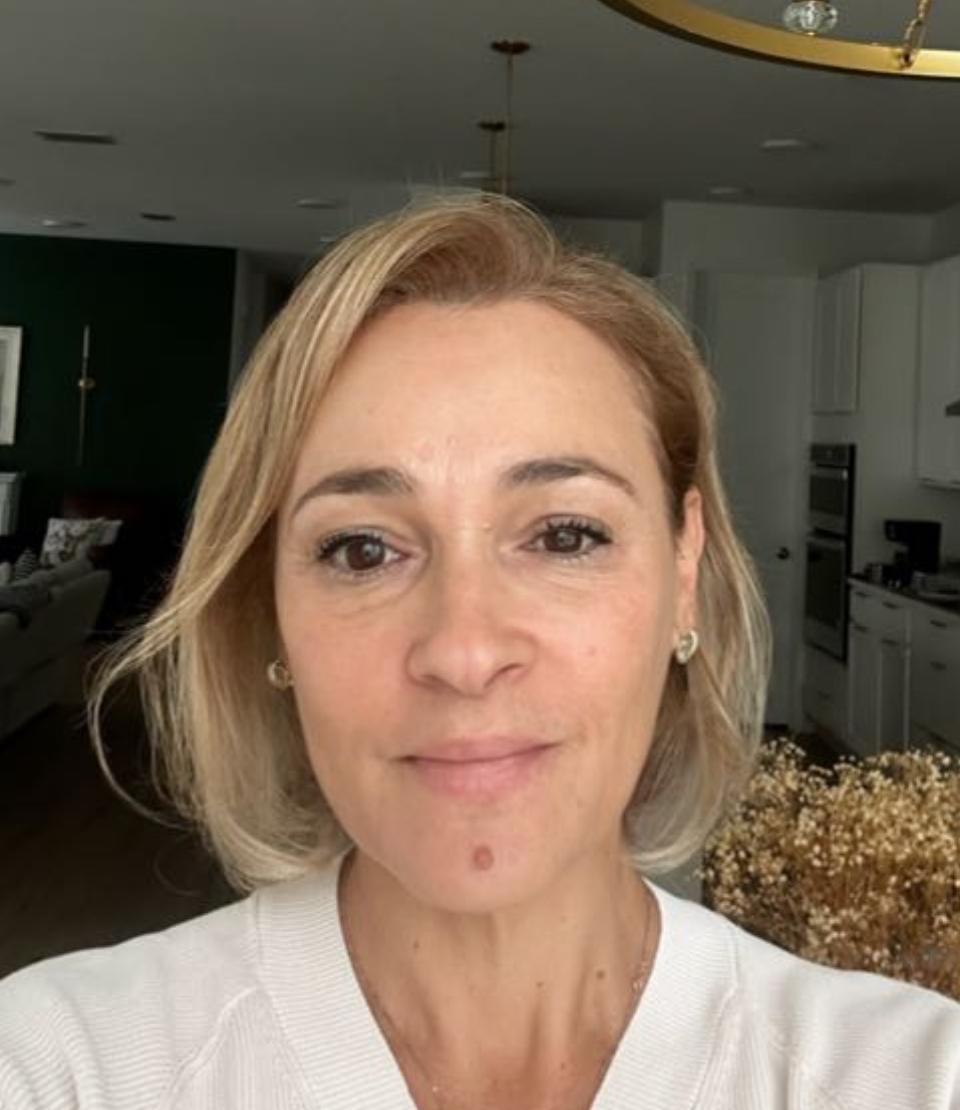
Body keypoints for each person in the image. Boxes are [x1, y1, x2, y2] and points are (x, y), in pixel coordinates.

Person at [0, 197, 957, 1110]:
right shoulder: (58, 1067)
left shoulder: (914, 1079)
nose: (464, 652)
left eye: (565, 535)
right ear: (272, 614)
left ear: (683, 571)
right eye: (363, 549)